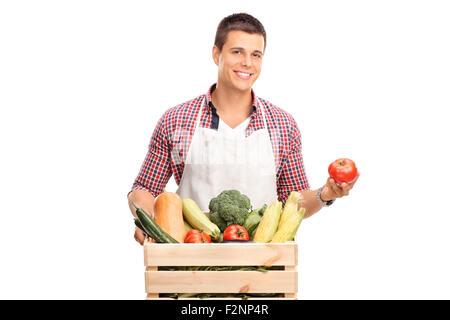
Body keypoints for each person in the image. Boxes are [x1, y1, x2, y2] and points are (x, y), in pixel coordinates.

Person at [128, 13, 359, 245]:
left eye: (256, 54)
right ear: (216, 54)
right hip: (192, 258)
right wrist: (148, 222)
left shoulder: (283, 125)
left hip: (261, 265)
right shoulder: (177, 120)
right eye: (237, 52)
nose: (247, 62)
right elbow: (144, 189)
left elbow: (294, 202)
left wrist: (325, 195)